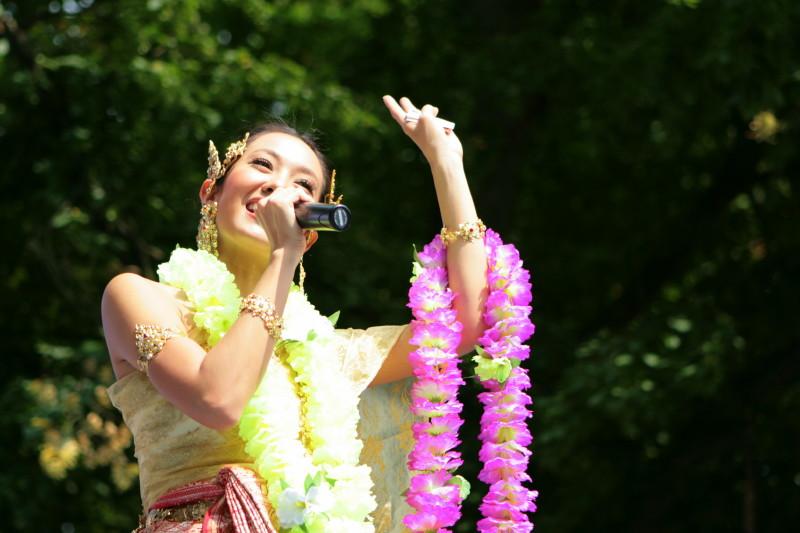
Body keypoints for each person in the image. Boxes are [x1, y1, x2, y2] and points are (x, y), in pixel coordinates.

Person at [101, 95, 488, 532]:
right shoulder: (139, 297)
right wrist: (282, 255)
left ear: (310, 235)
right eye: (262, 165)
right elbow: (217, 399)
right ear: (211, 191)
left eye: (303, 185)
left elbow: (462, 325)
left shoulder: (319, 353)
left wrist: (446, 163)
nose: (280, 188)